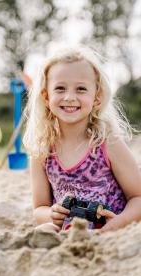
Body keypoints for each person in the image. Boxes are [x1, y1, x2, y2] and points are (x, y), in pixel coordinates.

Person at [23, 46, 141, 232]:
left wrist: (116, 224)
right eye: (60, 88)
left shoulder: (108, 143)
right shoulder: (42, 149)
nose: (70, 97)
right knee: (41, 231)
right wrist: (52, 215)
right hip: (68, 234)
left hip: (109, 233)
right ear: (46, 97)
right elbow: (39, 208)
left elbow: (138, 197)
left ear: (97, 97)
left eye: (81, 89)